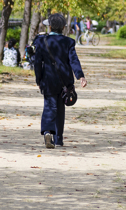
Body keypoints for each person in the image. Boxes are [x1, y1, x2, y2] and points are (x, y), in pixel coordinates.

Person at [33, 13, 87, 148]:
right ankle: (58, 139)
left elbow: (37, 62)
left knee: (49, 106)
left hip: (47, 79)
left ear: (49, 26)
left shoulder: (41, 41)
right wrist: (80, 76)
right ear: (63, 27)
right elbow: (73, 60)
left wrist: (38, 79)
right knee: (60, 108)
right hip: (65, 81)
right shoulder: (68, 42)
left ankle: (47, 131)